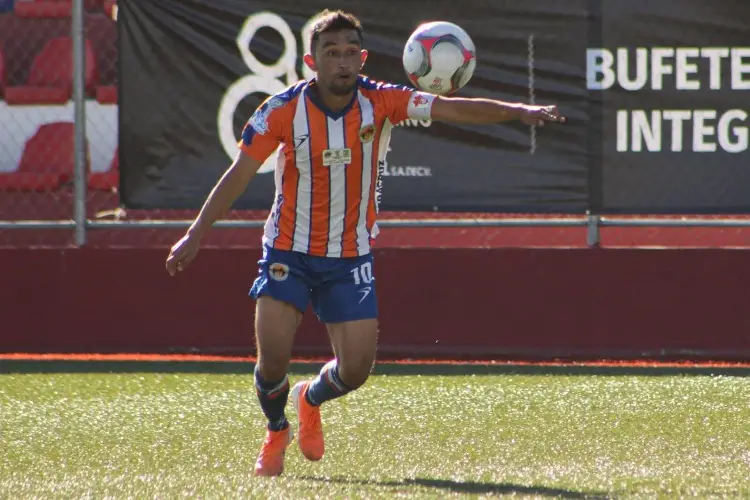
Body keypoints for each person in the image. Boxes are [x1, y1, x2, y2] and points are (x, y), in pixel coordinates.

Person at [165, 9, 565, 477]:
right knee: (272, 359)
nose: (342, 61)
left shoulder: (383, 101)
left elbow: (452, 108)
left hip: (349, 256)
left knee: (355, 370)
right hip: (287, 252)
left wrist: (520, 111)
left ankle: (309, 398)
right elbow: (238, 175)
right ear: (311, 62)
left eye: (350, 52)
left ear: (364, 57)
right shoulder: (281, 110)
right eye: (331, 53)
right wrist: (196, 233)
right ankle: (276, 428)